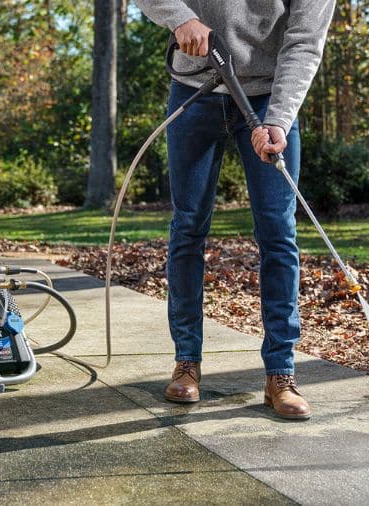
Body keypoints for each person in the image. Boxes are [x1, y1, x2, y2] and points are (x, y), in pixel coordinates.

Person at [134, 0, 335, 419]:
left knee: (278, 235)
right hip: (195, 90)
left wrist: (278, 120)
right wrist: (180, 18)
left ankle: (280, 373)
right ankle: (187, 362)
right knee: (188, 227)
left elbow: (304, 41)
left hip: (266, 100)